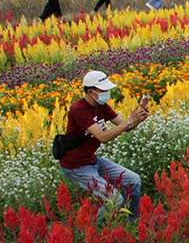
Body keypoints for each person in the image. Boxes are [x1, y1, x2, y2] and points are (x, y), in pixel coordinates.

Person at [58, 70, 150, 221]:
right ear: (90, 92)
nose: (107, 93)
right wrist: (128, 121)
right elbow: (103, 137)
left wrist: (137, 118)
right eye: (103, 90)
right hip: (76, 166)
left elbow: (125, 127)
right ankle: (93, 232)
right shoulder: (78, 109)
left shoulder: (102, 106)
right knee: (114, 198)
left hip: (91, 160)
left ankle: (132, 223)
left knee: (133, 181)